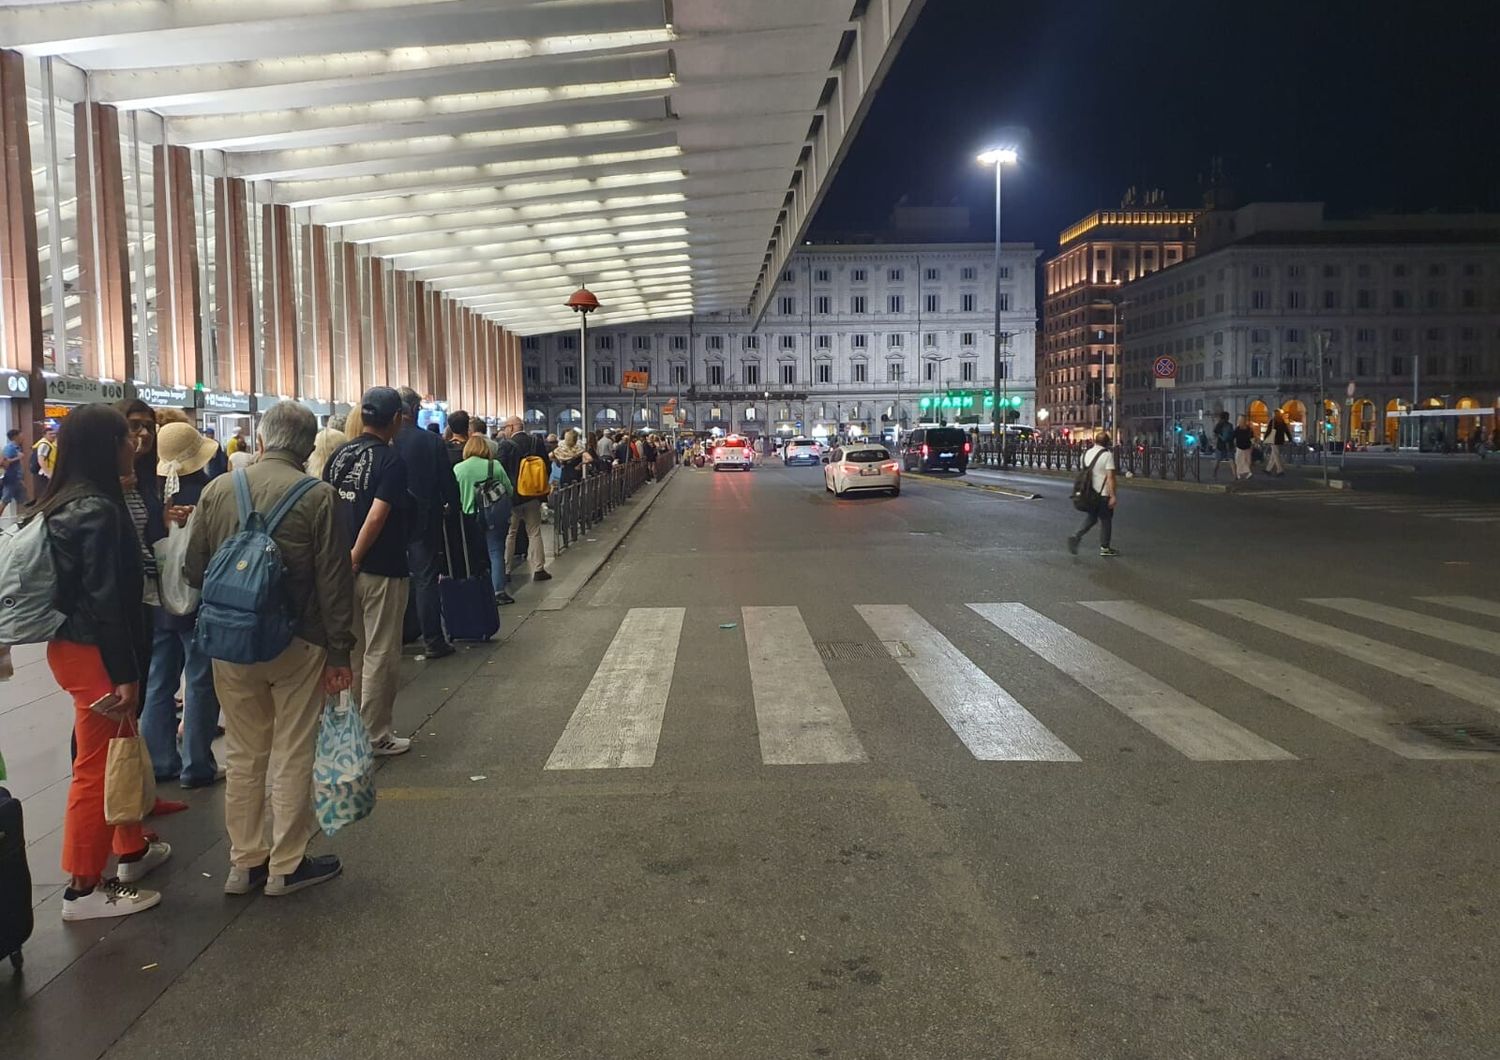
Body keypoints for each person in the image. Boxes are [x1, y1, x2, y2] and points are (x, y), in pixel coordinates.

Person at [186, 400, 355, 897]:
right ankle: (286, 863)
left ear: (262, 439)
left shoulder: (218, 489)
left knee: (243, 751)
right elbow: (334, 583)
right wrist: (340, 652)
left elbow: (194, 570)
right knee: (292, 747)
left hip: (229, 641)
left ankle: (244, 863)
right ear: (306, 448)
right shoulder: (319, 496)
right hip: (297, 642)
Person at [39, 404, 167, 920]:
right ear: (105, 445)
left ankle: (130, 848)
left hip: (72, 646)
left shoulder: (61, 503)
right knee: (95, 768)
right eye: (125, 436)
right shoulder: (96, 510)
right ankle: (82, 887)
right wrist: (126, 674)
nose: (134, 444)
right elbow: (107, 600)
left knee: (117, 751)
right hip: (97, 653)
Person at [324, 387, 414, 755]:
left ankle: (351, 729)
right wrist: (357, 555)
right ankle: (376, 733)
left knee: (354, 650)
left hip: (342, 569)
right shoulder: (390, 460)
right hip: (380, 567)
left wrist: (339, 559)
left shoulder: (339, 454)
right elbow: (378, 513)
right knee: (381, 651)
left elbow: (327, 505)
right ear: (395, 420)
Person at [140, 422, 225, 790]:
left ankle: (159, 760)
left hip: (158, 601)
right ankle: (196, 764)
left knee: (159, 681)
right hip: (199, 598)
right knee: (200, 681)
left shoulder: (151, 497)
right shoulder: (207, 492)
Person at [394, 386, 459, 660]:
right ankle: (432, 639)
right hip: (423, 522)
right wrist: (453, 508)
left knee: (392, 581)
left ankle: (395, 637)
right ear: (413, 410)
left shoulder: (386, 441)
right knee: (425, 580)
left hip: (387, 523)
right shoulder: (430, 442)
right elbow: (448, 484)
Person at [452, 434, 509, 599]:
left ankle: (476, 590)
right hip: (493, 515)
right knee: (496, 552)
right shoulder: (494, 465)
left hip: (469, 516)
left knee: (473, 553)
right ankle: (498, 591)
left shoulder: (458, 468)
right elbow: (509, 489)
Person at [497, 414, 551, 584]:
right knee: (534, 531)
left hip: (513, 496)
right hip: (532, 495)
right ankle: (539, 568)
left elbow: (501, 470)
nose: (504, 430)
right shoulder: (536, 442)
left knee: (510, 533)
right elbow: (546, 467)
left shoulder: (505, 445)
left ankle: (505, 570)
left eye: (505, 427)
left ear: (512, 427)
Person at [1066, 429, 1118, 557]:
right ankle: (1105, 547)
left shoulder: (1086, 454)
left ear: (1095, 441)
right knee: (1106, 520)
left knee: (1092, 517)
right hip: (1103, 493)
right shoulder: (1107, 455)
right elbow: (1110, 477)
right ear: (1107, 442)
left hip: (1089, 493)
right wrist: (1112, 495)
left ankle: (1076, 536)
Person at [1, 428, 25, 522]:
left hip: (17, 479)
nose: (23, 437)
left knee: (24, 501)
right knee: (5, 501)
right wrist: (17, 458)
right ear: (15, 437)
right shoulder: (10, 448)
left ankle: (24, 521)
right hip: (11, 479)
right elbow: (4, 463)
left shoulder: (16, 448)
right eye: (21, 435)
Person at [1211, 411, 1234, 480]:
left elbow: (1215, 433)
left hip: (1220, 445)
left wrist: (1219, 437)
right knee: (1231, 460)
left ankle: (1214, 474)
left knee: (1217, 460)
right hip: (1229, 445)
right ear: (1227, 417)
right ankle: (1235, 475)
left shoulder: (1219, 424)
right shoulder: (1230, 425)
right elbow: (1232, 434)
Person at [34, 423, 57, 488]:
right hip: (45, 474)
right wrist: (48, 473)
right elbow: (41, 460)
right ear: (44, 435)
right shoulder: (44, 445)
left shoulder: (51, 444)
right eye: (50, 434)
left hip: (50, 472)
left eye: (54, 433)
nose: (53, 435)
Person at [1232, 415, 1255, 480]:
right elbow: (1233, 437)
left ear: (1245, 421)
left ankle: (1247, 473)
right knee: (1238, 461)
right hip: (1239, 447)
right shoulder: (1237, 429)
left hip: (1247, 447)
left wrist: (1252, 447)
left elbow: (1252, 439)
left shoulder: (1249, 429)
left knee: (1247, 461)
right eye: (1239, 420)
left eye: (1241, 420)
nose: (1240, 422)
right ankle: (1239, 473)